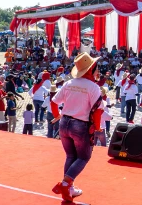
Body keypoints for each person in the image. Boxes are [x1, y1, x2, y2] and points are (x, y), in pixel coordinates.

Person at [51, 52, 103, 202]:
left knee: (70, 156)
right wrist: (98, 128)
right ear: (91, 68)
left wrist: (57, 116)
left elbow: (54, 102)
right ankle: (66, 184)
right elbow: (98, 110)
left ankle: (69, 189)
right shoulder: (93, 87)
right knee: (83, 157)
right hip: (80, 125)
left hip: (64, 123)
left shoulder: (69, 83)